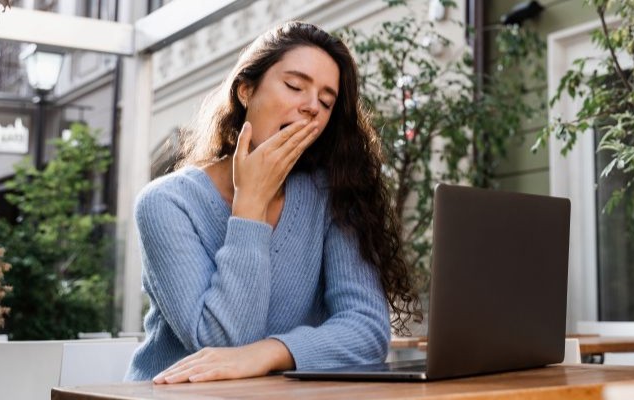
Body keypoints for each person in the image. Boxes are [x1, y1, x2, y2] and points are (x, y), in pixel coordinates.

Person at [125, 21, 420, 383]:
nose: (312, 106)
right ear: (246, 91)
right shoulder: (166, 203)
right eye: (295, 86)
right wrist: (251, 204)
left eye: (326, 101)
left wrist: (270, 352)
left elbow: (367, 330)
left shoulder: (331, 195)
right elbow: (223, 343)